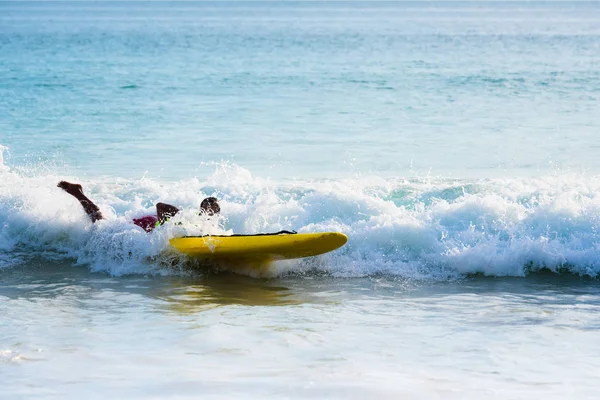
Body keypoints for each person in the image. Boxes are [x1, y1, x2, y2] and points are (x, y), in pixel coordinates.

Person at [57, 181, 220, 232]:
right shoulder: (186, 216)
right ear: (202, 209)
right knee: (100, 224)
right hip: (143, 225)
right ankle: (77, 192)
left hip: (150, 227)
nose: (211, 214)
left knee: (101, 222)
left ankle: (78, 193)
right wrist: (162, 232)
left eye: (215, 212)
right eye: (209, 210)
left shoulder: (207, 228)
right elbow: (160, 206)